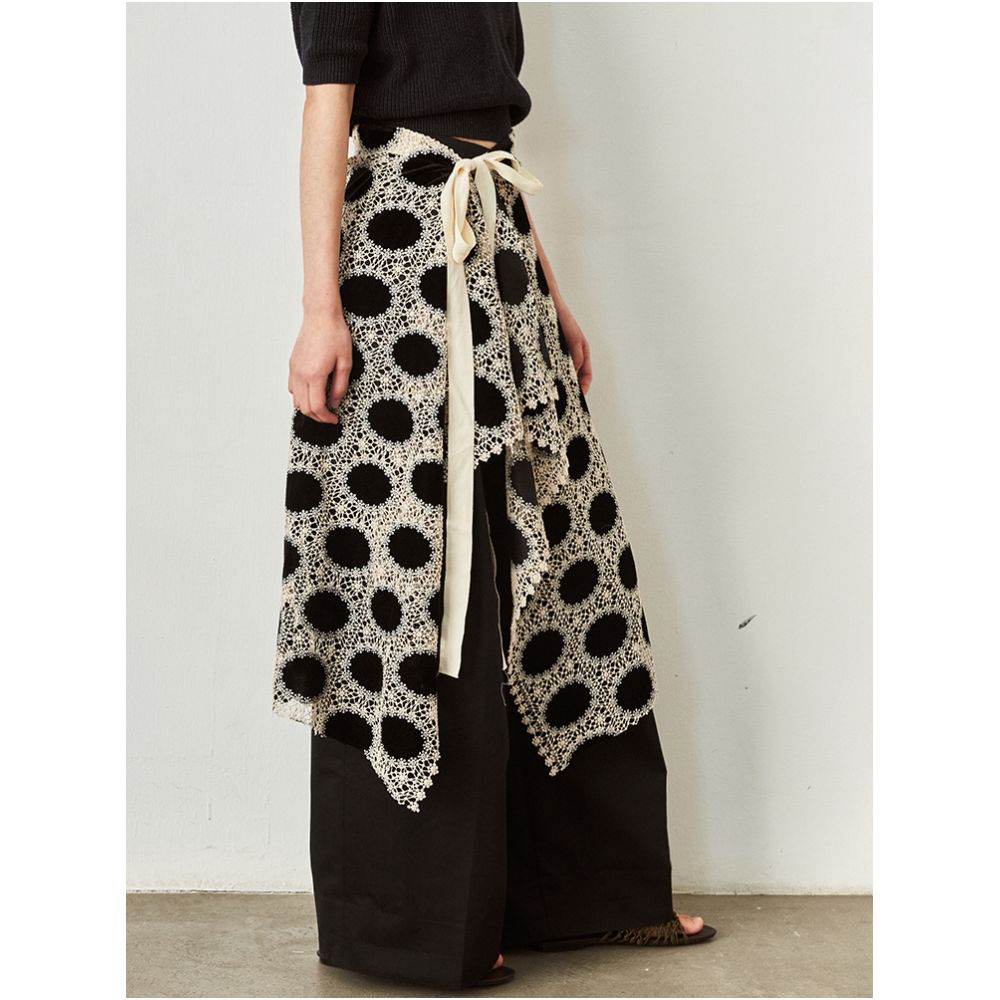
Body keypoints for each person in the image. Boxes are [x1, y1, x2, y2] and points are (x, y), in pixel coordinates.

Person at [273, 2, 716, 990]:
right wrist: (318, 308)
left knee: (568, 574)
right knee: (424, 589)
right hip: (404, 265)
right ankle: (420, 923)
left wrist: (550, 291)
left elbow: (491, 145)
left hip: (499, 255)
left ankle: (586, 894)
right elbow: (326, 110)